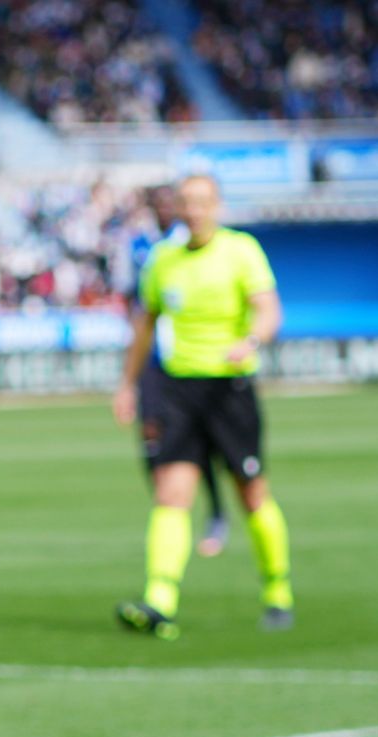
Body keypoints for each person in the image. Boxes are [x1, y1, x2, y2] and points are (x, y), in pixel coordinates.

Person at [112, 173, 290, 639]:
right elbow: (144, 325)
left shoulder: (241, 251)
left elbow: (269, 309)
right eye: (186, 202)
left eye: (202, 202)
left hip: (228, 388)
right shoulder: (162, 260)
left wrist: (251, 338)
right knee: (171, 493)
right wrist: (128, 384)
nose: (193, 210)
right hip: (177, 390)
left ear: (217, 205)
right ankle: (159, 600)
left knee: (251, 492)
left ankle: (277, 590)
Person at [127, 184, 229, 557]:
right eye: (160, 203)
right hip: (153, 364)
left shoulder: (187, 246)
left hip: (185, 365)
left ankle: (216, 511)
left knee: (202, 442)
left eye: (173, 202)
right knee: (152, 436)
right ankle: (171, 507)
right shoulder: (141, 245)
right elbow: (137, 302)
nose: (168, 209)